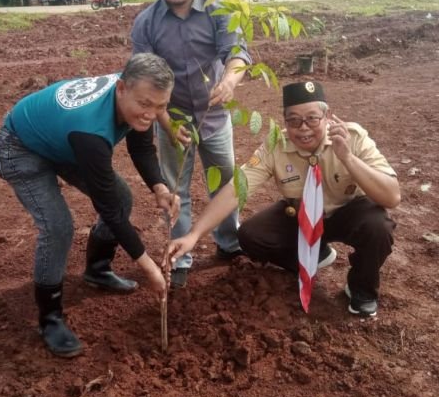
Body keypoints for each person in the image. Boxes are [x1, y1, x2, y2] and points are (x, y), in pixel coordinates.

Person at [0, 53, 179, 357]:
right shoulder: (91, 131)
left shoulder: (140, 90)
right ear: (121, 88)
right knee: (58, 227)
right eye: (145, 105)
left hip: (60, 140)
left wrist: (159, 186)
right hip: (19, 146)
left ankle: (97, 269)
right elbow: (109, 211)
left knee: (122, 196)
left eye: (161, 107)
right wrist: (148, 267)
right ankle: (50, 319)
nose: (152, 114)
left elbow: (141, 143)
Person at [166, 81, 400, 317]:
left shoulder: (353, 137)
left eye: (312, 118)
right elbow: (236, 188)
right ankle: (315, 256)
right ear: (285, 121)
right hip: (301, 214)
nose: (303, 128)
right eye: (294, 120)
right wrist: (194, 234)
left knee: (378, 227)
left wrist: (348, 157)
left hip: (349, 212)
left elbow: (392, 196)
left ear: (327, 116)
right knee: (251, 235)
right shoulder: (275, 144)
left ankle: (361, 289)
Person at [130, 0, 251, 289]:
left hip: (214, 118)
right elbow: (143, 81)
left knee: (226, 181)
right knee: (174, 188)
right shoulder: (147, 23)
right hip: (172, 121)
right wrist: (166, 124)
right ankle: (180, 256)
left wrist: (229, 80)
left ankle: (230, 243)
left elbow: (238, 53)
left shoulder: (218, 10)